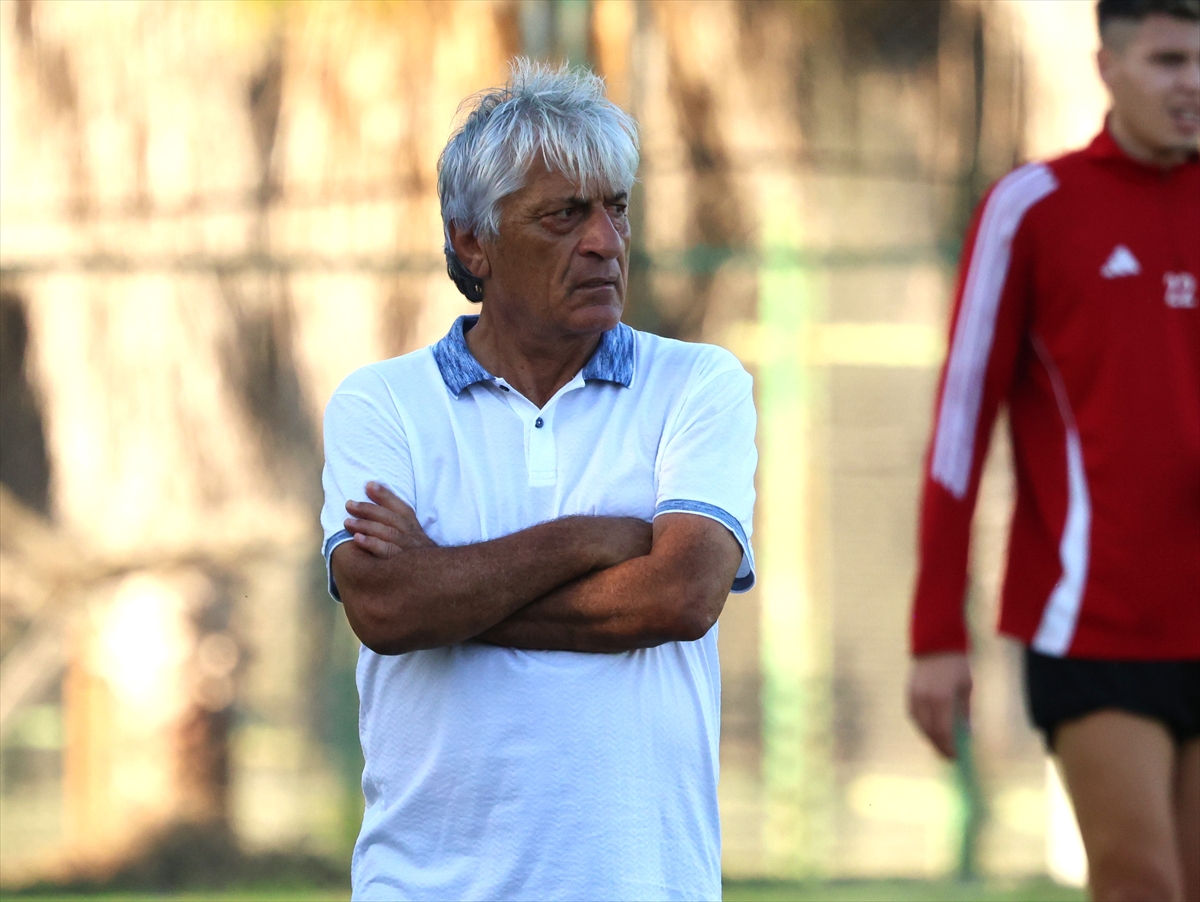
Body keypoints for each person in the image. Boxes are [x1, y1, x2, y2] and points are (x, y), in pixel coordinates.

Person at [319, 59, 757, 902]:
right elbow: (387, 610)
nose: (605, 241)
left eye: (615, 208)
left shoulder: (699, 385)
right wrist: (592, 538)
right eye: (564, 215)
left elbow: (680, 597)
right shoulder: (381, 403)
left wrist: (447, 592)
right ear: (472, 243)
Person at [907, 1, 1199, 899]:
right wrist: (935, 634)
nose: (1192, 84)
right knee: (1142, 882)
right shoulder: (1033, 207)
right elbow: (960, 431)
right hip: (1092, 621)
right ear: (1107, 67)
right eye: (1169, 61)